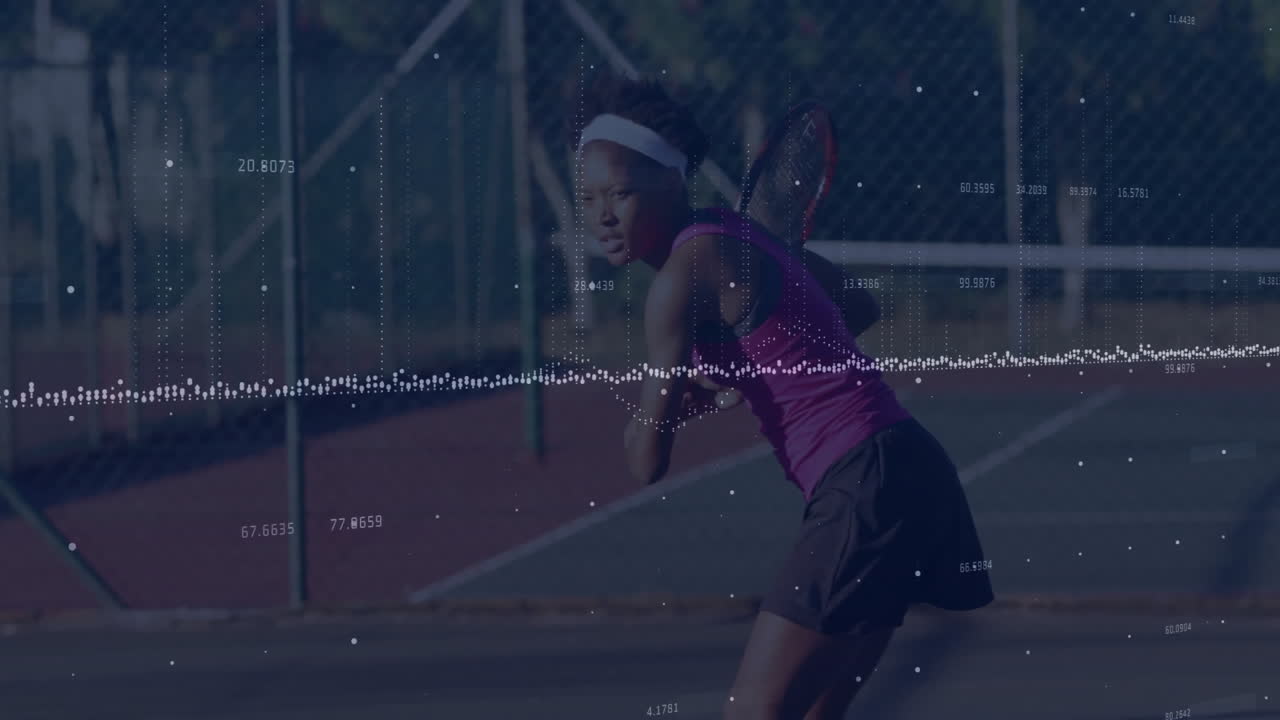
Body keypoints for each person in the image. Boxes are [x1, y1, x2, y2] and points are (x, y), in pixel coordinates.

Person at [571, 71, 994, 720]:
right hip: (909, 467)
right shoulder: (742, 235)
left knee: (753, 712)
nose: (602, 215)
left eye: (620, 193)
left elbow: (644, 462)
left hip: (863, 481)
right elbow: (858, 306)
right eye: (588, 197)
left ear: (672, 181)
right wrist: (756, 361)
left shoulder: (678, 281)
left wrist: (668, 404)